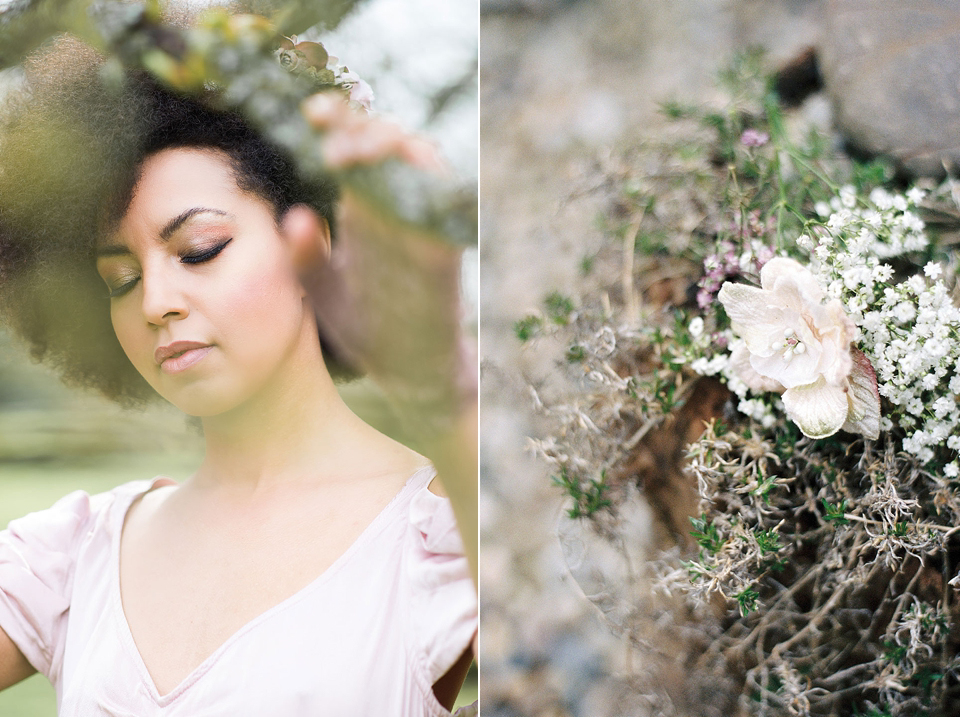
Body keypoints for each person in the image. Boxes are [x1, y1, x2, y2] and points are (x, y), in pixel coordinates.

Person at [0, 25, 477, 717]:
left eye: (200, 249)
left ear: (317, 237)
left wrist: (442, 391)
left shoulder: (440, 534)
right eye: (120, 279)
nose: (157, 303)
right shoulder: (73, 556)